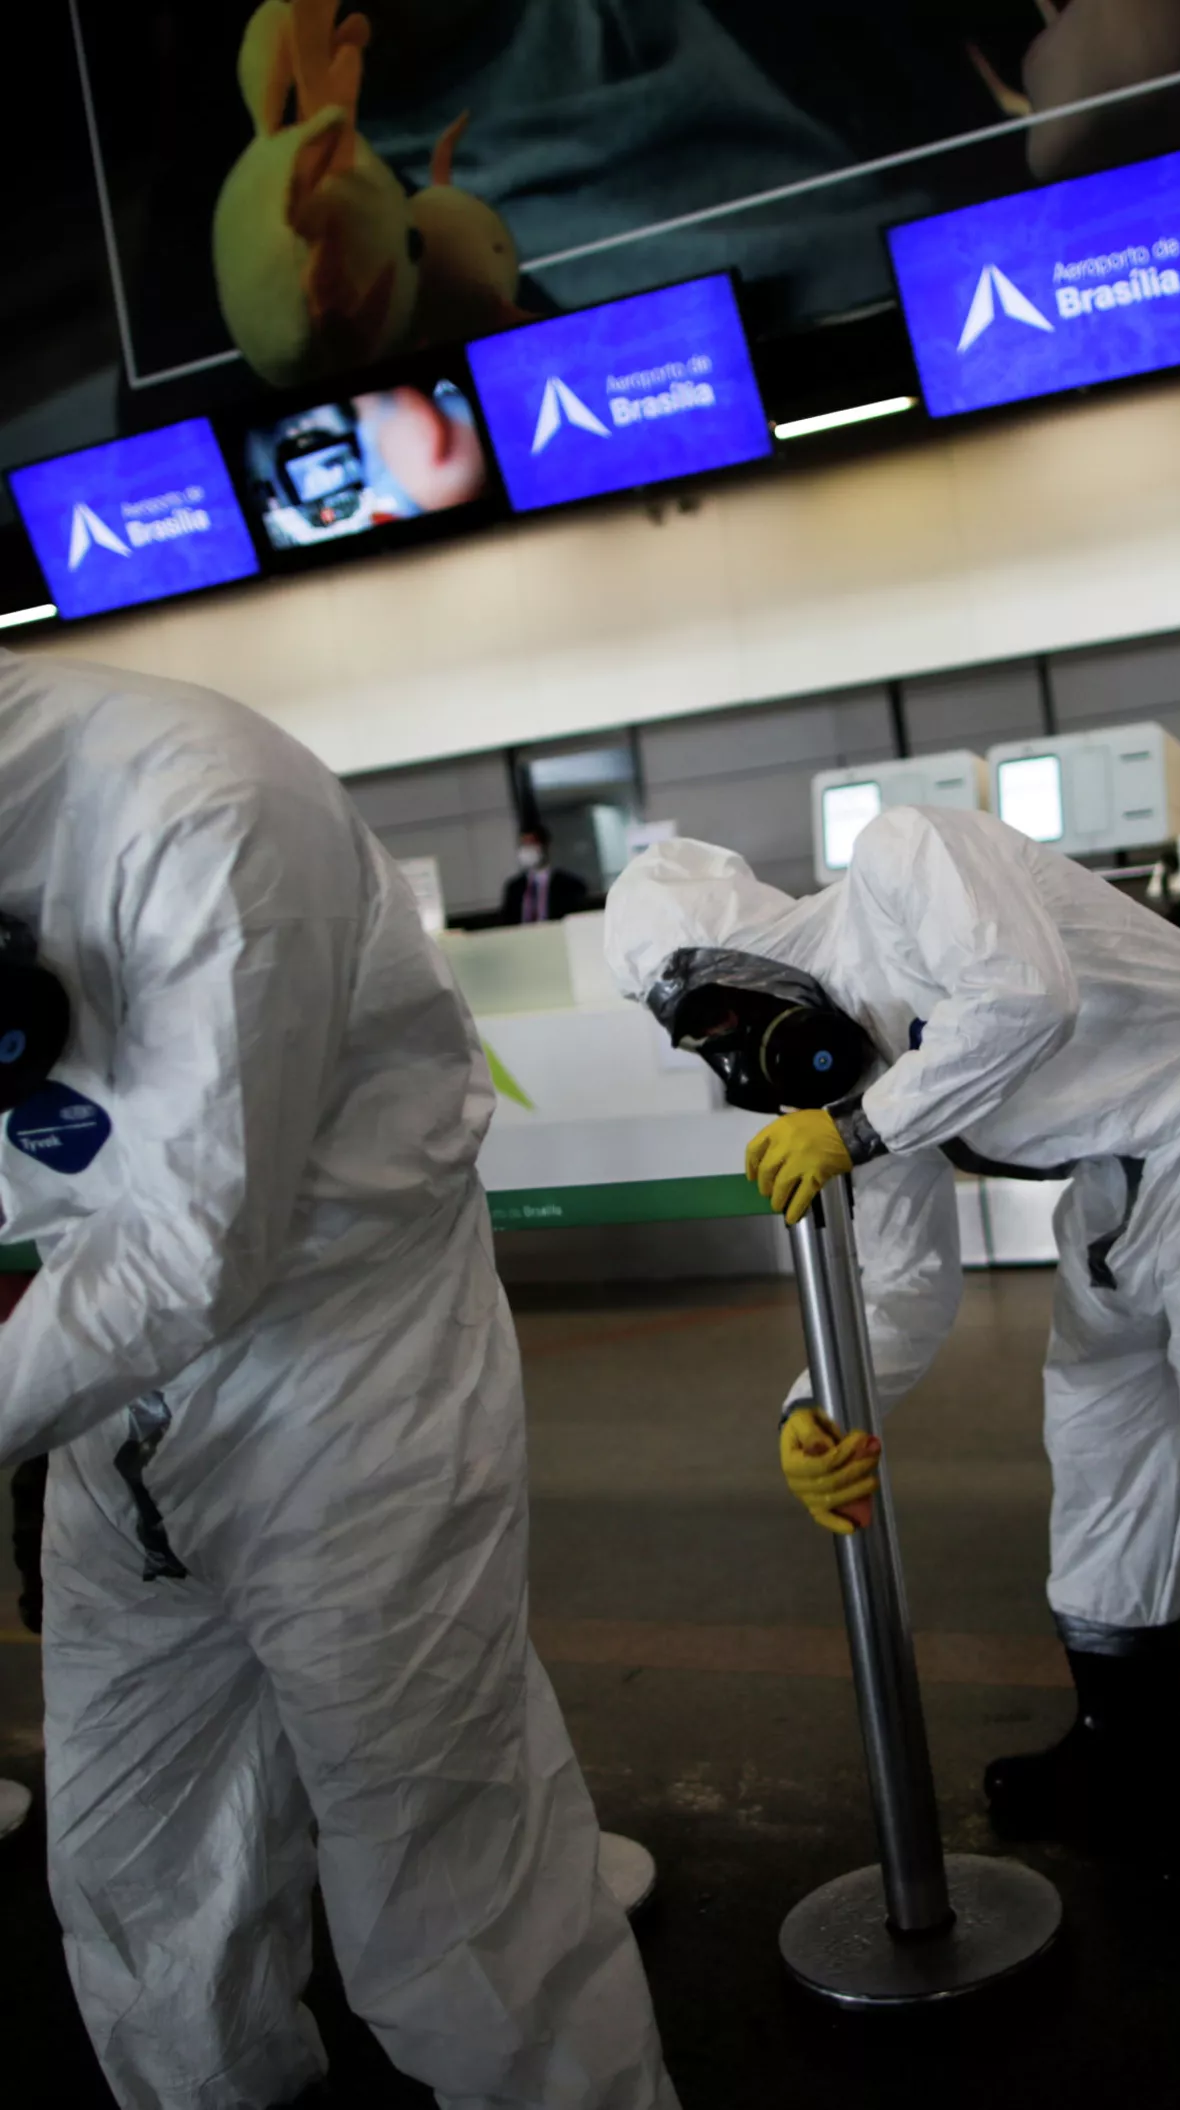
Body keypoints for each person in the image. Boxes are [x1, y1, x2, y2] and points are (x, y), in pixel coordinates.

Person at [0, 651, 677, 2110]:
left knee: (451, 1888)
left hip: (344, 1392)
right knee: (136, 1863)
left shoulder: (204, 809)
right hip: (104, 1412)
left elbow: (193, 1251)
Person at [604, 815, 1180, 1929]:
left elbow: (1024, 999)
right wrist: (812, 1408)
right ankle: (1124, 1749)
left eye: (716, 1014)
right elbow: (906, 1284)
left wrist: (858, 1129)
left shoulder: (903, 861)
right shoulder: (855, 1074)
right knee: (1099, 1444)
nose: (728, 1053)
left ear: (740, 948)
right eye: (697, 1042)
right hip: (1119, 1173)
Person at [501, 821, 590, 925]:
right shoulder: (514, 888)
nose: (527, 850)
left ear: (545, 846)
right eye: (524, 845)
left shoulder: (570, 885)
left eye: (531, 844)